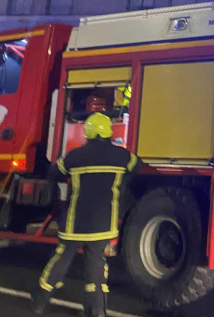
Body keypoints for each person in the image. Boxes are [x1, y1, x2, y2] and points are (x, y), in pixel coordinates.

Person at [32, 113, 142, 317]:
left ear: (88, 132)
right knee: (97, 268)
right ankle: (96, 312)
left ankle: (40, 298)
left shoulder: (75, 156)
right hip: (103, 225)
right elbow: (138, 166)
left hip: (75, 223)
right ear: (108, 132)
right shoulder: (122, 156)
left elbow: (53, 173)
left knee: (62, 259)